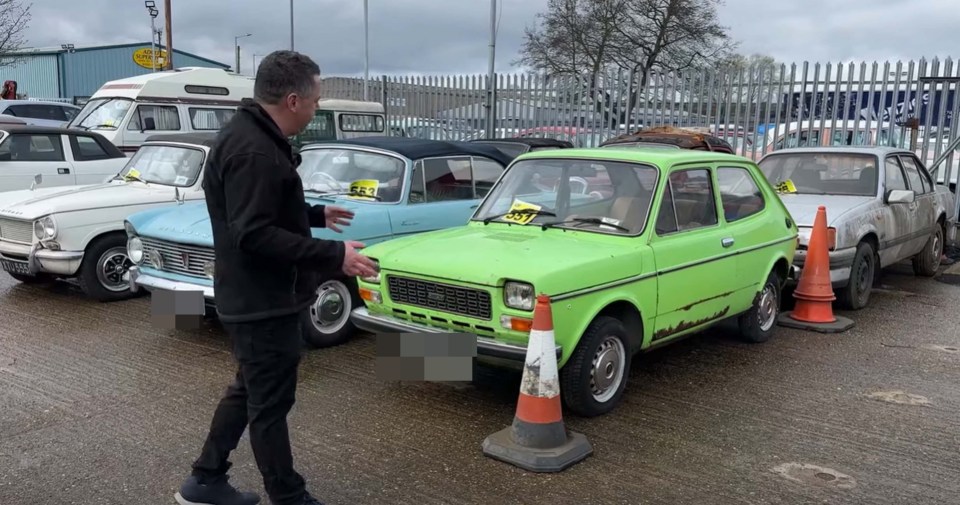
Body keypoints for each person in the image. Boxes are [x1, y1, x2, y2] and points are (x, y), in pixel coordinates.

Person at [174, 50, 378, 505]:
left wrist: (315, 214)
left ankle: (204, 480)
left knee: (249, 390)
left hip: (253, 296)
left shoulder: (250, 137)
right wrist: (333, 256)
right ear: (292, 99)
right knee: (269, 408)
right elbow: (253, 233)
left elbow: (257, 212)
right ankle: (288, 497)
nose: (317, 107)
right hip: (262, 301)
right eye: (316, 99)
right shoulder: (255, 150)